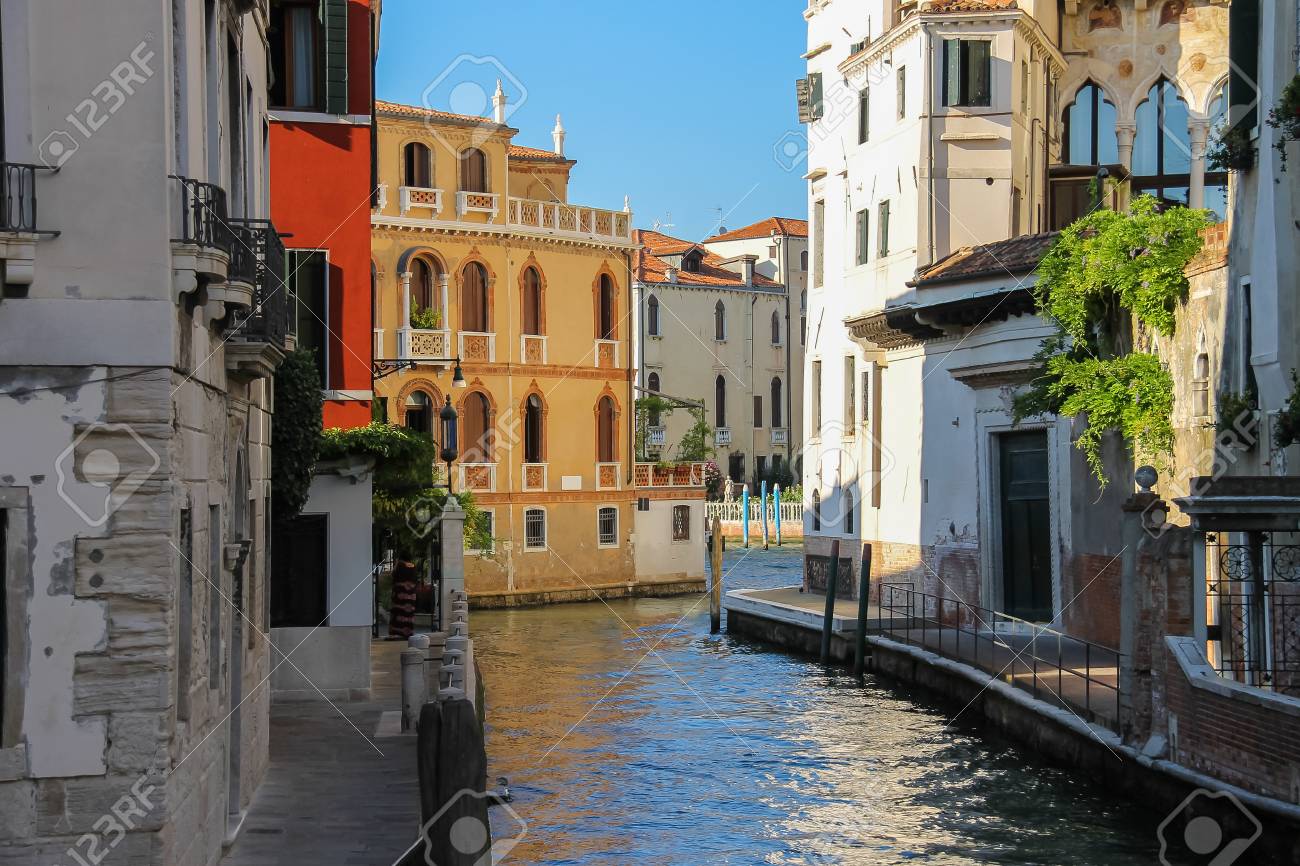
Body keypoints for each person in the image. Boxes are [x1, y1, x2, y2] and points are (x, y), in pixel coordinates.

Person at [389, 560, 418, 640]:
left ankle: (396, 633)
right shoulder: (413, 566)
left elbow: (393, 576)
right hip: (410, 594)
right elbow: (415, 579)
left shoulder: (399, 565)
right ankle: (408, 632)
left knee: (398, 612)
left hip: (400, 593)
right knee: (408, 613)